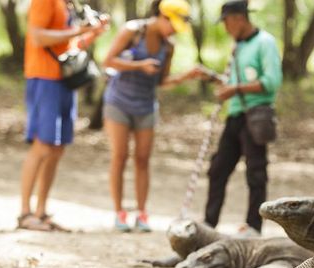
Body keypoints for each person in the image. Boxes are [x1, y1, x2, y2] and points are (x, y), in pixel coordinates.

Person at [102, 0, 204, 232]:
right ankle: (119, 212)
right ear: (162, 16)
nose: (174, 30)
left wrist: (185, 76)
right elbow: (108, 61)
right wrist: (139, 65)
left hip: (146, 105)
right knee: (120, 156)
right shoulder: (132, 31)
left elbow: (161, 81)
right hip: (119, 101)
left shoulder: (168, 46)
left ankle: (142, 213)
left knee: (142, 159)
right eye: (173, 24)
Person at [18, 0, 108, 231]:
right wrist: (80, 29)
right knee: (43, 146)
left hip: (63, 80)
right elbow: (38, 37)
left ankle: (41, 212)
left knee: (57, 148)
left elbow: (69, 44)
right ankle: (25, 213)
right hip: (43, 78)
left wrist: (92, 34)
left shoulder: (66, 4)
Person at [204, 0, 283, 235]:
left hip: (256, 115)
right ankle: (209, 224)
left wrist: (235, 89)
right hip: (235, 116)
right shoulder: (237, 46)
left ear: (238, 18)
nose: (225, 28)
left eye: (226, 22)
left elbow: (272, 81)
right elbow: (233, 82)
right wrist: (212, 78)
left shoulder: (265, 42)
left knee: (255, 171)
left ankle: (254, 226)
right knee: (218, 169)